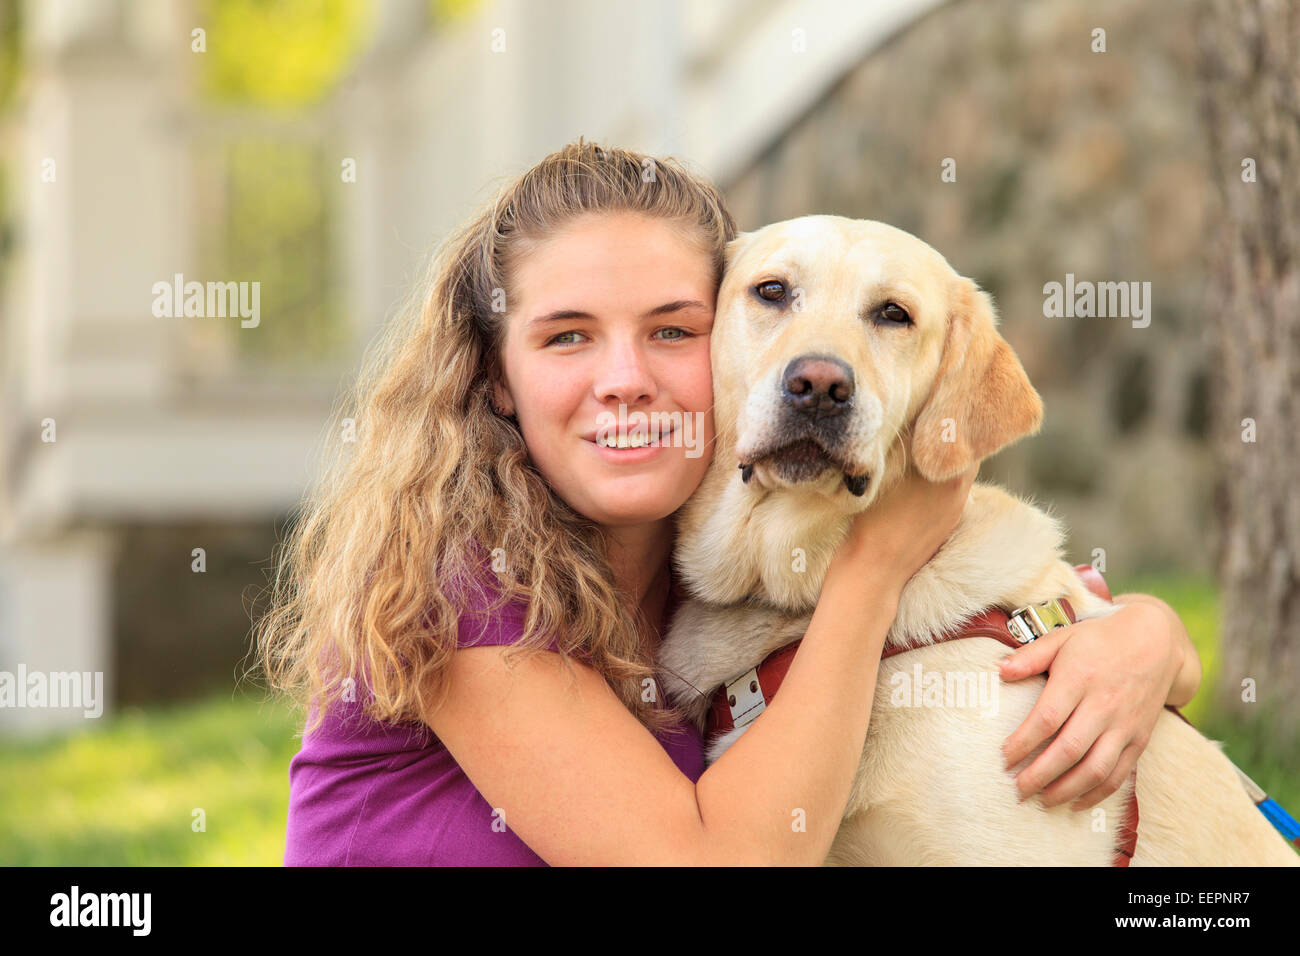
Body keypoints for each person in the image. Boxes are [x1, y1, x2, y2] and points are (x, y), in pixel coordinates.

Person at [256, 139, 1201, 866]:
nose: (624, 380)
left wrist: (1149, 636)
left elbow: (1031, 619)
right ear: (495, 378)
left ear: (714, 355)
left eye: (670, 330)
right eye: (566, 337)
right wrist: (872, 572)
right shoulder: (461, 583)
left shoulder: (712, 583)